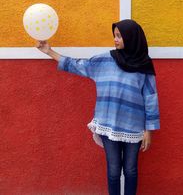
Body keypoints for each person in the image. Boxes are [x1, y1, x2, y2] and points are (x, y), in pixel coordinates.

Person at [36, 19, 160, 195]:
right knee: (114, 170)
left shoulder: (144, 64)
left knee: (131, 170)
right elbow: (78, 65)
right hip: (108, 124)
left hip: (134, 126)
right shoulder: (105, 60)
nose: (115, 39)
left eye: (119, 36)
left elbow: (150, 97)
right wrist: (49, 51)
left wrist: (149, 130)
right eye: (114, 36)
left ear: (132, 37)